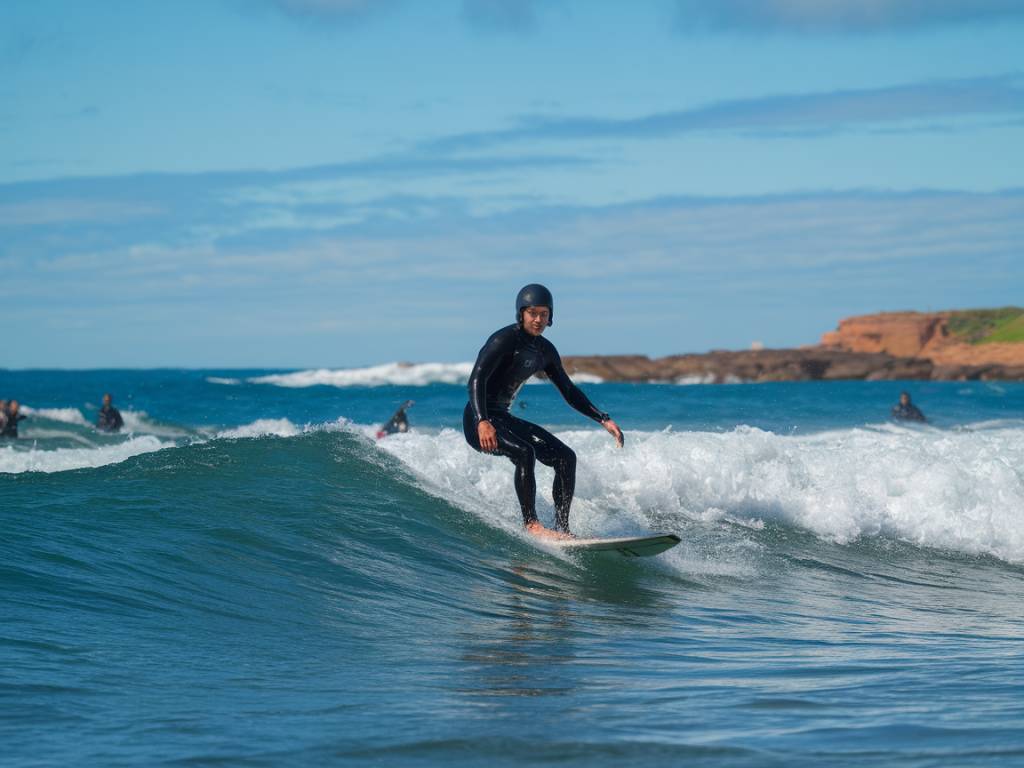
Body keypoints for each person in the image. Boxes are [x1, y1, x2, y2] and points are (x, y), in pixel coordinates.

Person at [463, 284, 623, 540]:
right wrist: (482, 420)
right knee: (525, 452)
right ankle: (532, 524)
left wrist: (603, 418)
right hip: (477, 419)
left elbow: (569, 391)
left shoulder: (545, 351)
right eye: (533, 313)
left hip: (503, 418)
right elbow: (475, 380)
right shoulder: (503, 340)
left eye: (544, 314)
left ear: (551, 317)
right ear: (521, 313)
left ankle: (562, 529)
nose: (538, 320)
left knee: (565, 457)